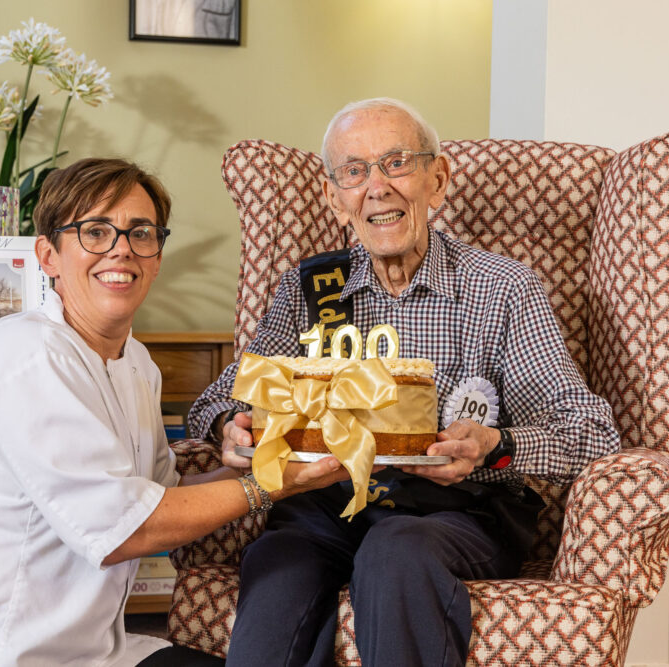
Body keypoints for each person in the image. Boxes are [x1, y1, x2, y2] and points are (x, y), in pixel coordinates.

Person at [187, 98, 621, 666]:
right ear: (334, 196)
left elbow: (592, 433)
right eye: (354, 170)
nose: (377, 186)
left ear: (437, 180)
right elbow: (217, 401)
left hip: (455, 513)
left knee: (396, 551)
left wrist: (495, 445)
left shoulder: (502, 288)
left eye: (396, 163)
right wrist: (232, 428)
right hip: (326, 505)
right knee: (277, 563)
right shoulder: (312, 289)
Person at [0, 158, 349, 667]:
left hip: (87, 651)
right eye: (95, 231)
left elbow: (160, 498)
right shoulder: (27, 355)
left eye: (140, 232)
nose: (121, 247)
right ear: (48, 255)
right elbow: (128, 529)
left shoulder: (135, 362)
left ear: (157, 256)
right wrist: (274, 485)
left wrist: (276, 462)